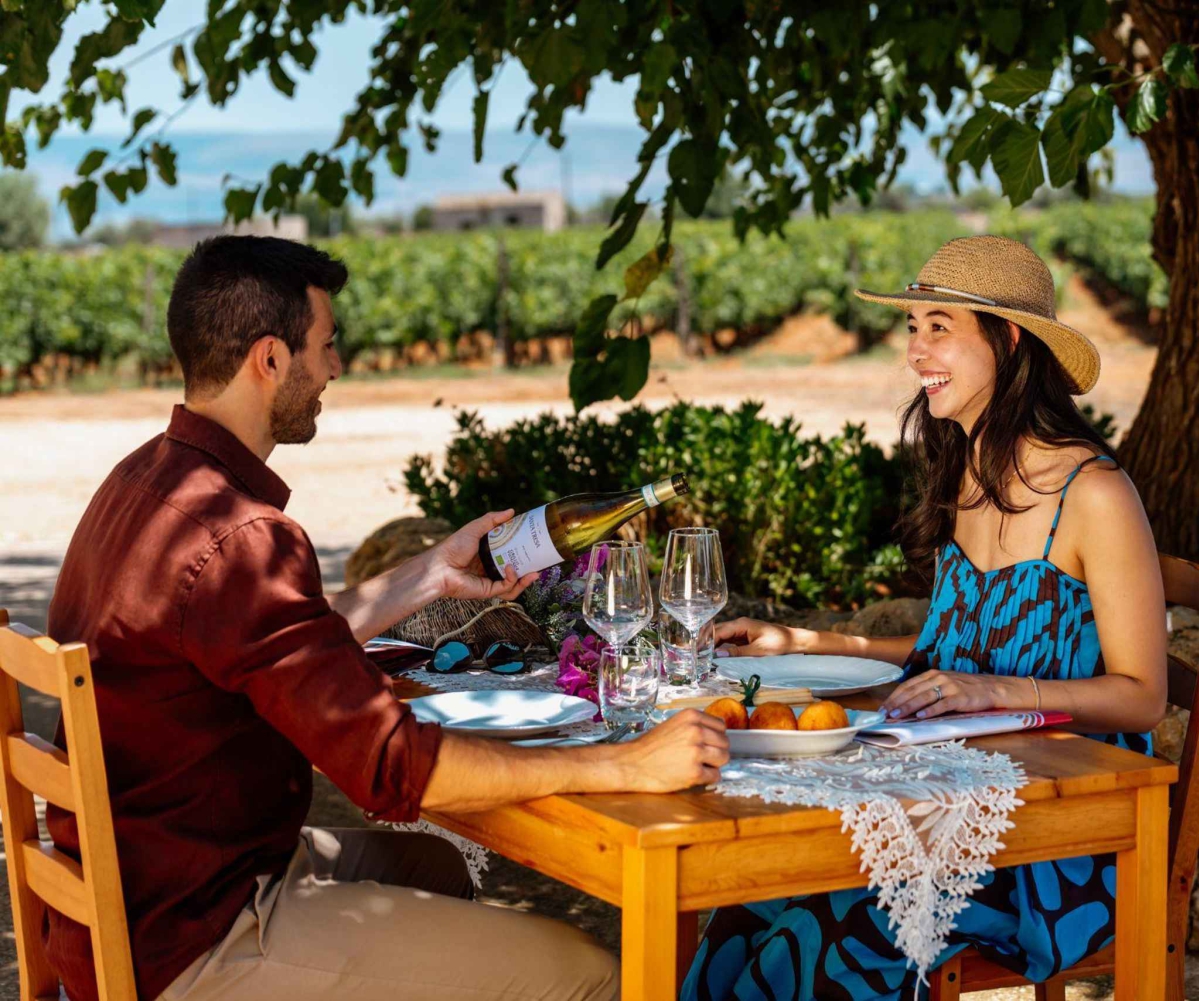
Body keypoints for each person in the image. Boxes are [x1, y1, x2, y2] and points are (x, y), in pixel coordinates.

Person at [43, 235, 730, 1001]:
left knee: (435, 870)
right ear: (269, 359)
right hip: (197, 937)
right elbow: (394, 769)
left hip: (146, 895)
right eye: (326, 344)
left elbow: (262, 642)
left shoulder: (144, 482)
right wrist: (624, 766)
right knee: (591, 972)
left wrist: (427, 573)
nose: (336, 366)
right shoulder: (241, 537)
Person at [683, 235, 1167, 1000]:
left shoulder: (1096, 494)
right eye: (913, 328)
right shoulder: (971, 471)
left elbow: (1143, 694)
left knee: (837, 910)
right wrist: (806, 640)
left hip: (1055, 846)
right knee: (753, 893)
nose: (916, 350)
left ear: (1008, 341)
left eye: (939, 326)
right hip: (958, 801)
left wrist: (998, 692)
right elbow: (948, 652)